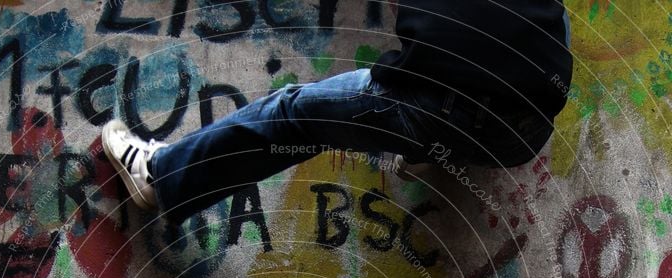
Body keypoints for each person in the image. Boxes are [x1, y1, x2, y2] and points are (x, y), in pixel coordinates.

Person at [102, 1, 572, 226]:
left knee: (292, 115)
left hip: (437, 106)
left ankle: (161, 175)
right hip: (524, 133)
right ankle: (432, 145)